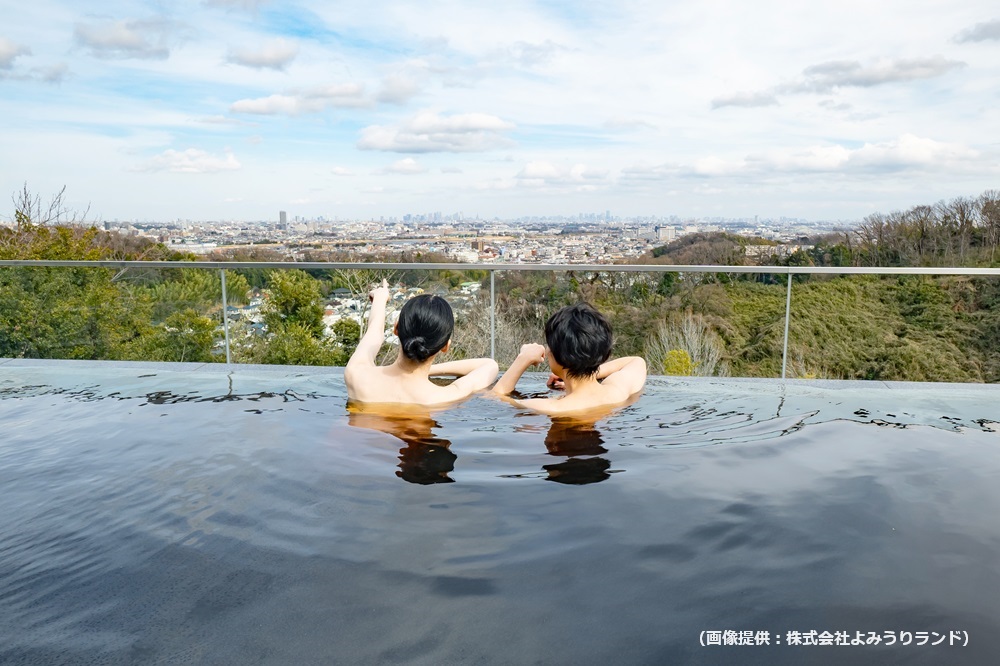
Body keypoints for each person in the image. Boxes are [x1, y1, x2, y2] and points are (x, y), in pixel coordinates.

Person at [345, 279, 499, 406]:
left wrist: (380, 299)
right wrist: (428, 368)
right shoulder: (444, 397)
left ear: (396, 328)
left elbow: (374, 333)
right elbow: (489, 365)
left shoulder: (356, 375)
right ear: (446, 346)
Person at [493, 302, 646, 415]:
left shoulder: (549, 407)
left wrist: (523, 359)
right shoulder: (617, 391)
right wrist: (584, 371)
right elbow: (636, 361)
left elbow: (495, 399)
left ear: (558, 357)